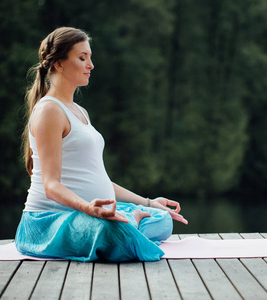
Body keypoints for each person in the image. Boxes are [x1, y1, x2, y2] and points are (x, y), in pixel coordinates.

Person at [15, 27, 187, 262]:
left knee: (162, 218)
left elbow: (99, 179)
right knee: (117, 233)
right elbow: (51, 185)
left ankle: (130, 221)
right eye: (82, 57)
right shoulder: (49, 110)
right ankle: (129, 224)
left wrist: (148, 202)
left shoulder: (80, 112)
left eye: (90, 57)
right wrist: (88, 209)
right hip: (50, 221)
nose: (91, 65)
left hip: (89, 215)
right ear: (59, 64)